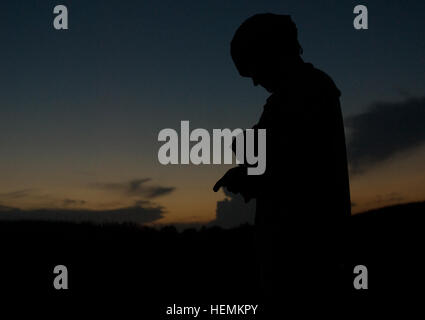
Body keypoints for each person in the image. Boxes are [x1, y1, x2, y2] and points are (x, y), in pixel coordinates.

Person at [213, 13, 351, 314]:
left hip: (304, 259)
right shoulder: (304, 91)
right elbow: (279, 159)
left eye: (251, 69)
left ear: (270, 54)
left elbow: (290, 172)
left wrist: (244, 164)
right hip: (300, 255)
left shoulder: (303, 93)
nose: (253, 81)